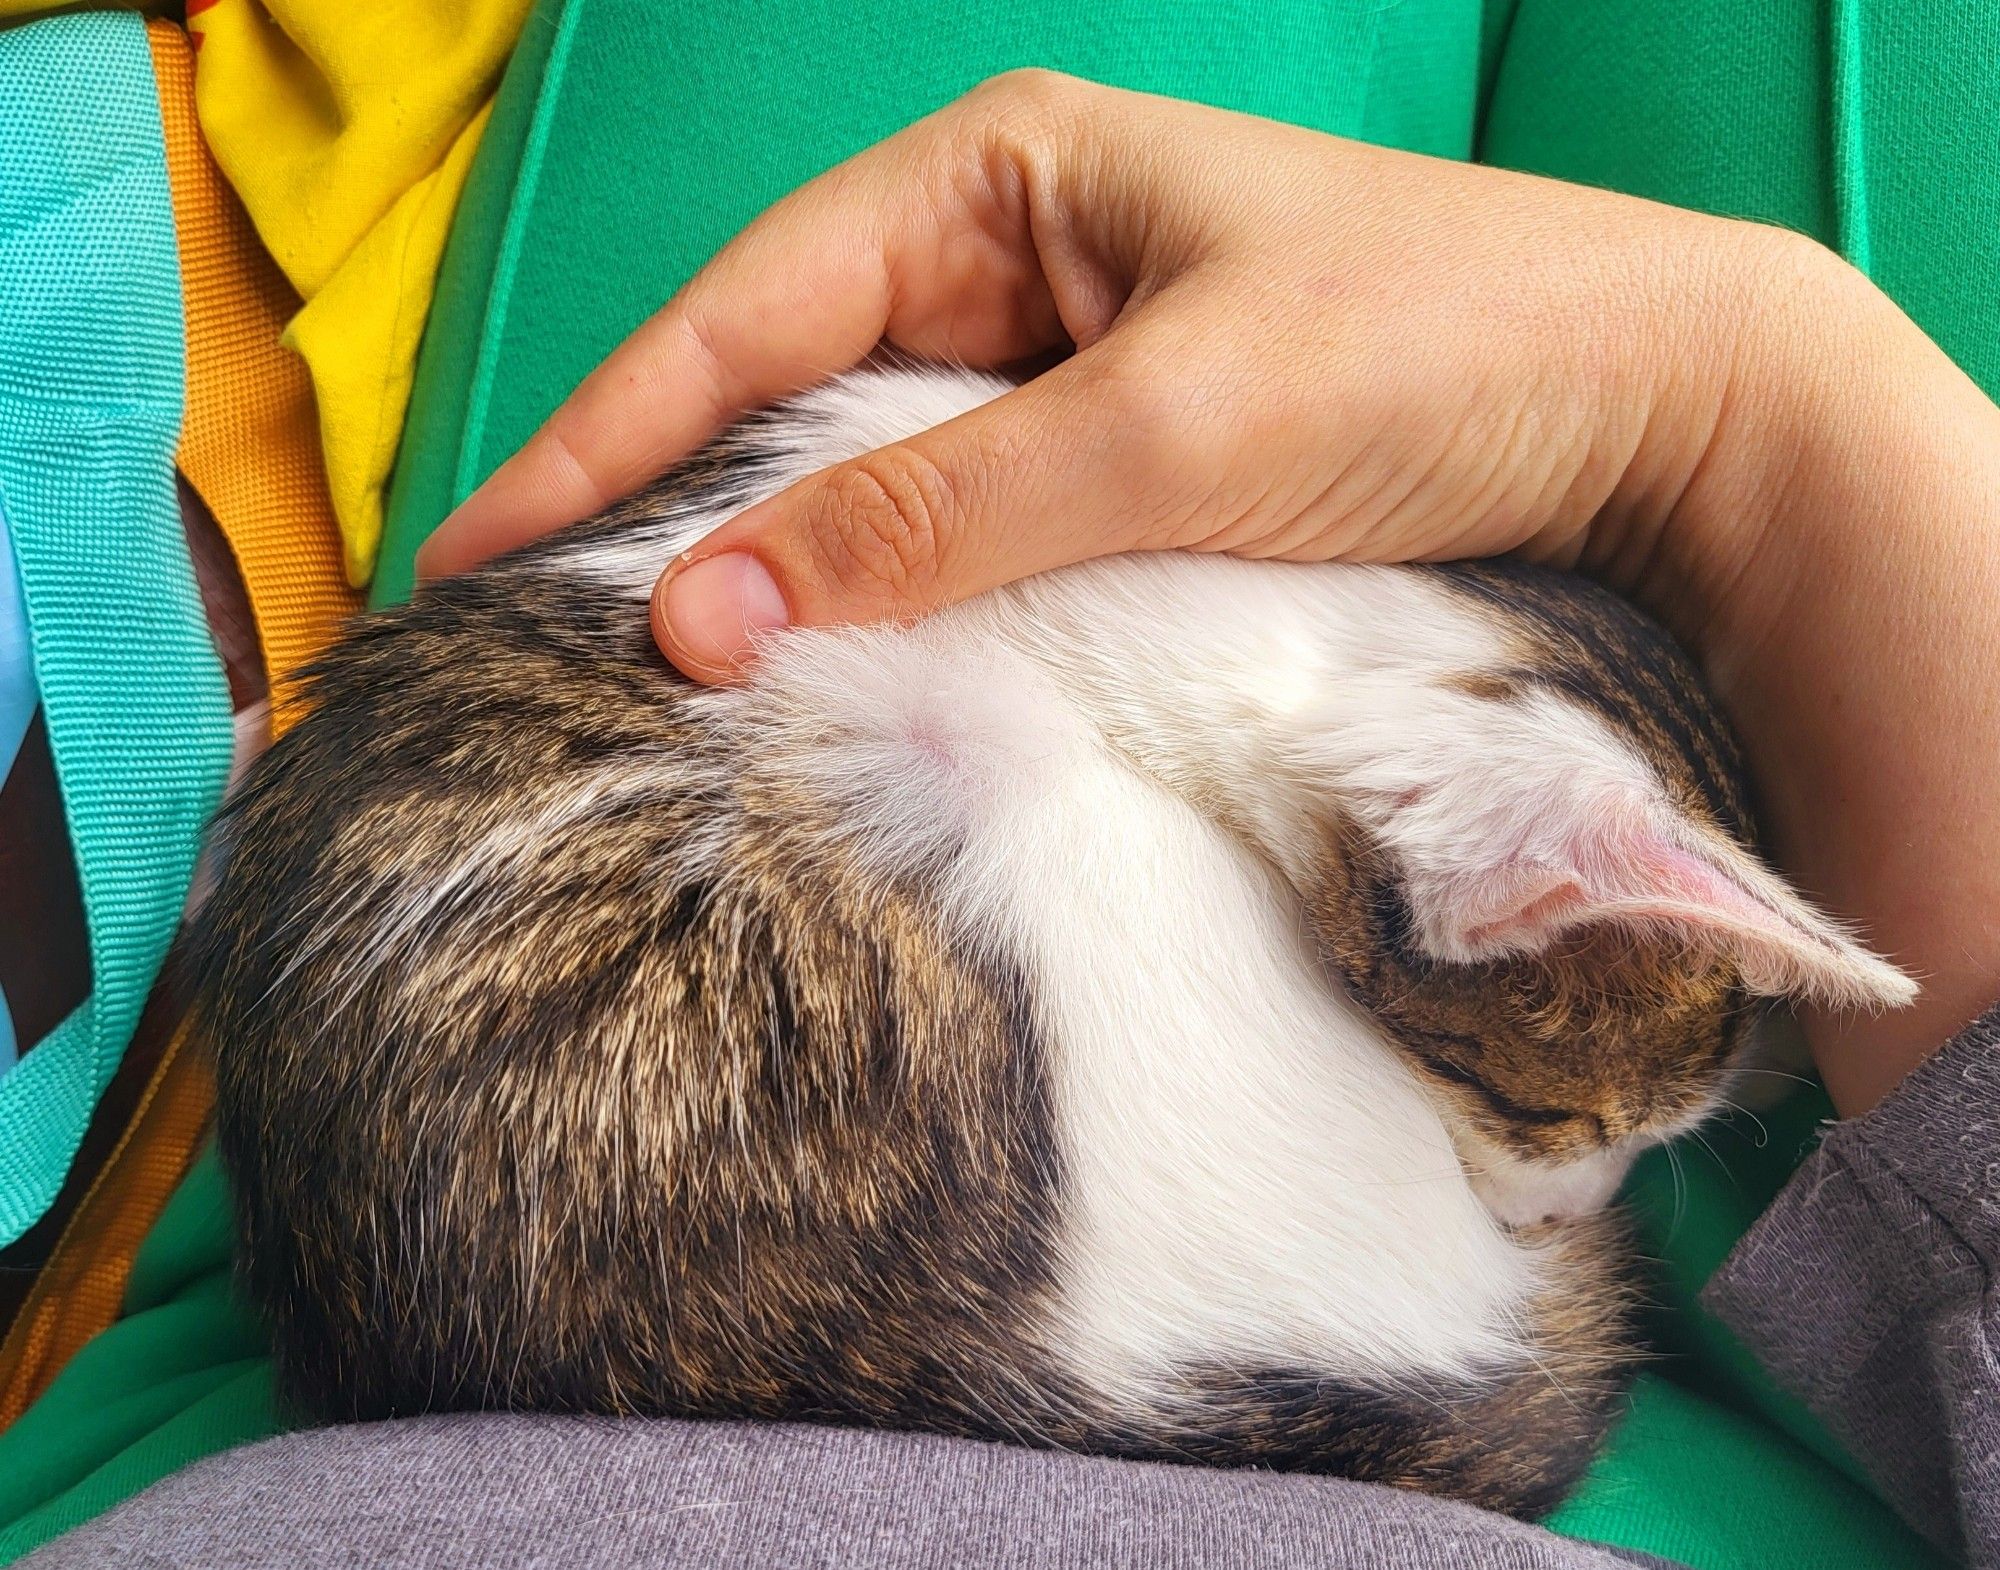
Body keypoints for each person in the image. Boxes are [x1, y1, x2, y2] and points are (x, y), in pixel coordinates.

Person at [29, 74, 1998, 1570]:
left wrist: (1742, 403)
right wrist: (1757, 417)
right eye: (1549, 1139)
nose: (1567, 1199)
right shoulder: (1377, 851)